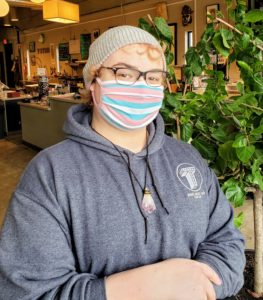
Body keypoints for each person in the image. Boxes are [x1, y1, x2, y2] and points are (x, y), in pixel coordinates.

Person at [0, 25, 245, 300]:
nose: (141, 86)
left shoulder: (187, 159)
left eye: (152, 77)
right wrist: (137, 289)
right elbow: (26, 291)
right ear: (93, 81)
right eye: (124, 73)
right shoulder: (50, 174)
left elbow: (227, 244)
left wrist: (198, 287)